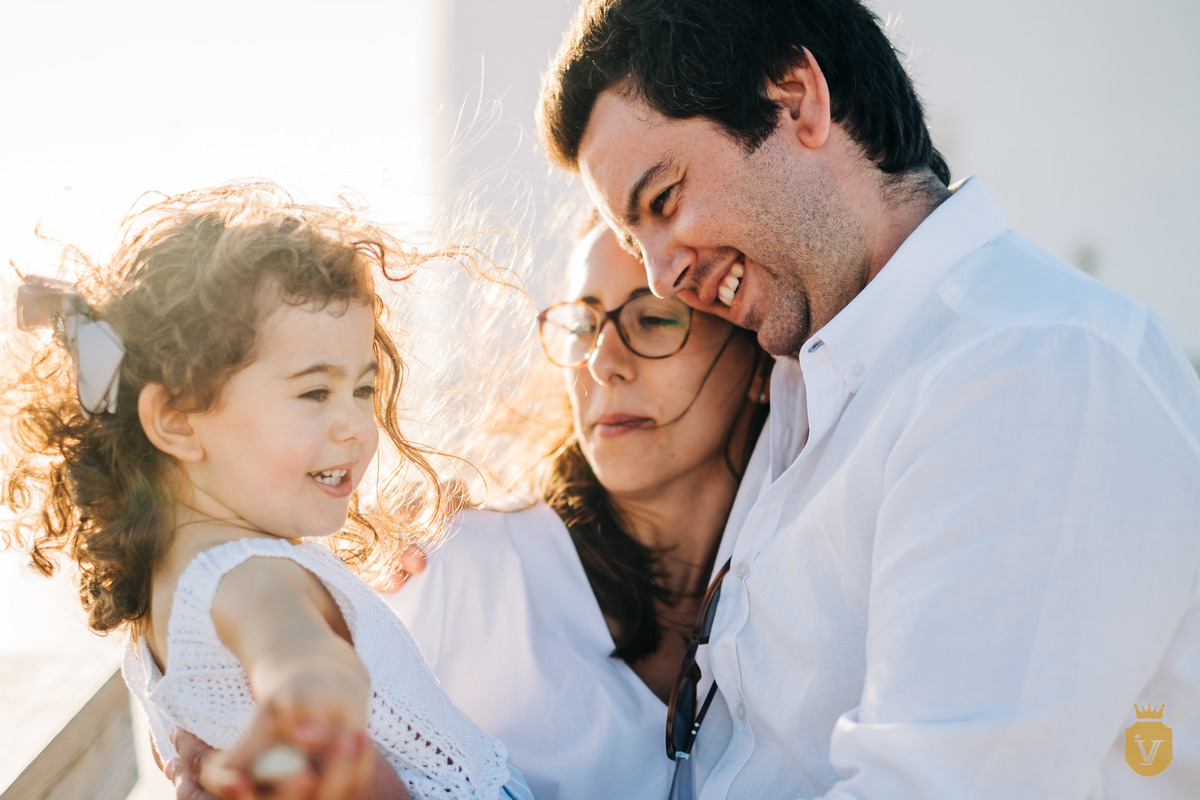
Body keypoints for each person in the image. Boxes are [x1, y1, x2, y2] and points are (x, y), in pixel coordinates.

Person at [537, 1, 1200, 798]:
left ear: (797, 99)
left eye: (666, 200)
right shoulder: (806, 379)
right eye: (632, 237)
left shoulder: (1034, 366)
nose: (661, 274)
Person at [1, 183, 533, 800]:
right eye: (314, 392)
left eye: (363, 389)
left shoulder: (157, 611)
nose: (356, 425)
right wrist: (304, 709)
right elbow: (299, 659)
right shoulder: (251, 576)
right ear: (175, 419)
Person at [386, 218, 770, 800]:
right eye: (584, 326)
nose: (602, 361)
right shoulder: (453, 565)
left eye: (654, 318)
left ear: (761, 362)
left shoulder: (807, 601)